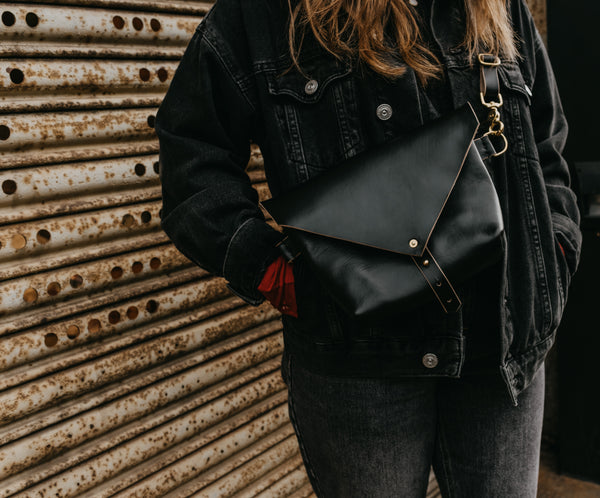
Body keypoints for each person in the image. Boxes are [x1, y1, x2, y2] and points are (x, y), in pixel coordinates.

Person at [155, 0, 582, 495]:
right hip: (359, 364)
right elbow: (192, 158)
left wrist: (556, 246)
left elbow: (545, 141)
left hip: (503, 347)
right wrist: (276, 273)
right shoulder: (268, 12)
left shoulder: (497, 5)